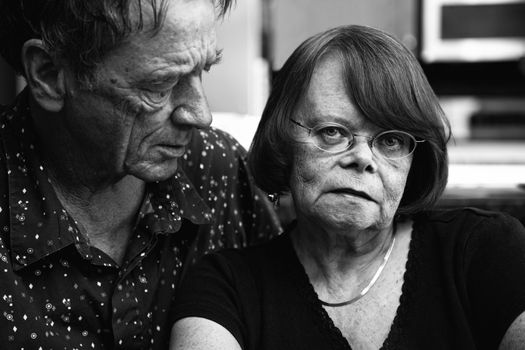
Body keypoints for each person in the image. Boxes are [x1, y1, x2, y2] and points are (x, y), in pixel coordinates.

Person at [170, 25, 525, 349]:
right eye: (333, 132)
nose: (363, 158)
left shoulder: (486, 251)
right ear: (283, 142)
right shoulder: (224, 287)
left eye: (391, 141)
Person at [0, 0, 281, 348]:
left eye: (203, 70)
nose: (200, 114)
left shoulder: (217, 168)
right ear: (49, 74)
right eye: (159, 86)